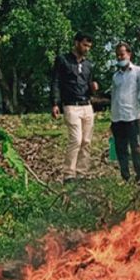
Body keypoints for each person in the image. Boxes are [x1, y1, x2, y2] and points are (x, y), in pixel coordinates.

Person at [51, 32, 99, 183]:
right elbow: (55, 82)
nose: (87, 49)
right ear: (76, 43)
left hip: (87, 105)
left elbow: (90, 84)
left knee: (86, 141)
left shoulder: (88, 64)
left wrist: (94, 88)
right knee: (76, 140)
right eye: (85, 45)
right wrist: (54, 103)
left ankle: (82, 173)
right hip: (71, 106)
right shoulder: (63, 60)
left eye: (89, 46)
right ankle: (69, 174)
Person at [110, 43, 140, 184]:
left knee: (136, 148)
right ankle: (125, 177)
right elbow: (114, 97)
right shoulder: (116, 76)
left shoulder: (139, 72)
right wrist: (112, 119)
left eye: (122, 54)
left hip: (133, 116)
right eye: (118, 55)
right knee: (120, 149)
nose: (120, 57)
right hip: (117, 117)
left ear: (129, 54)